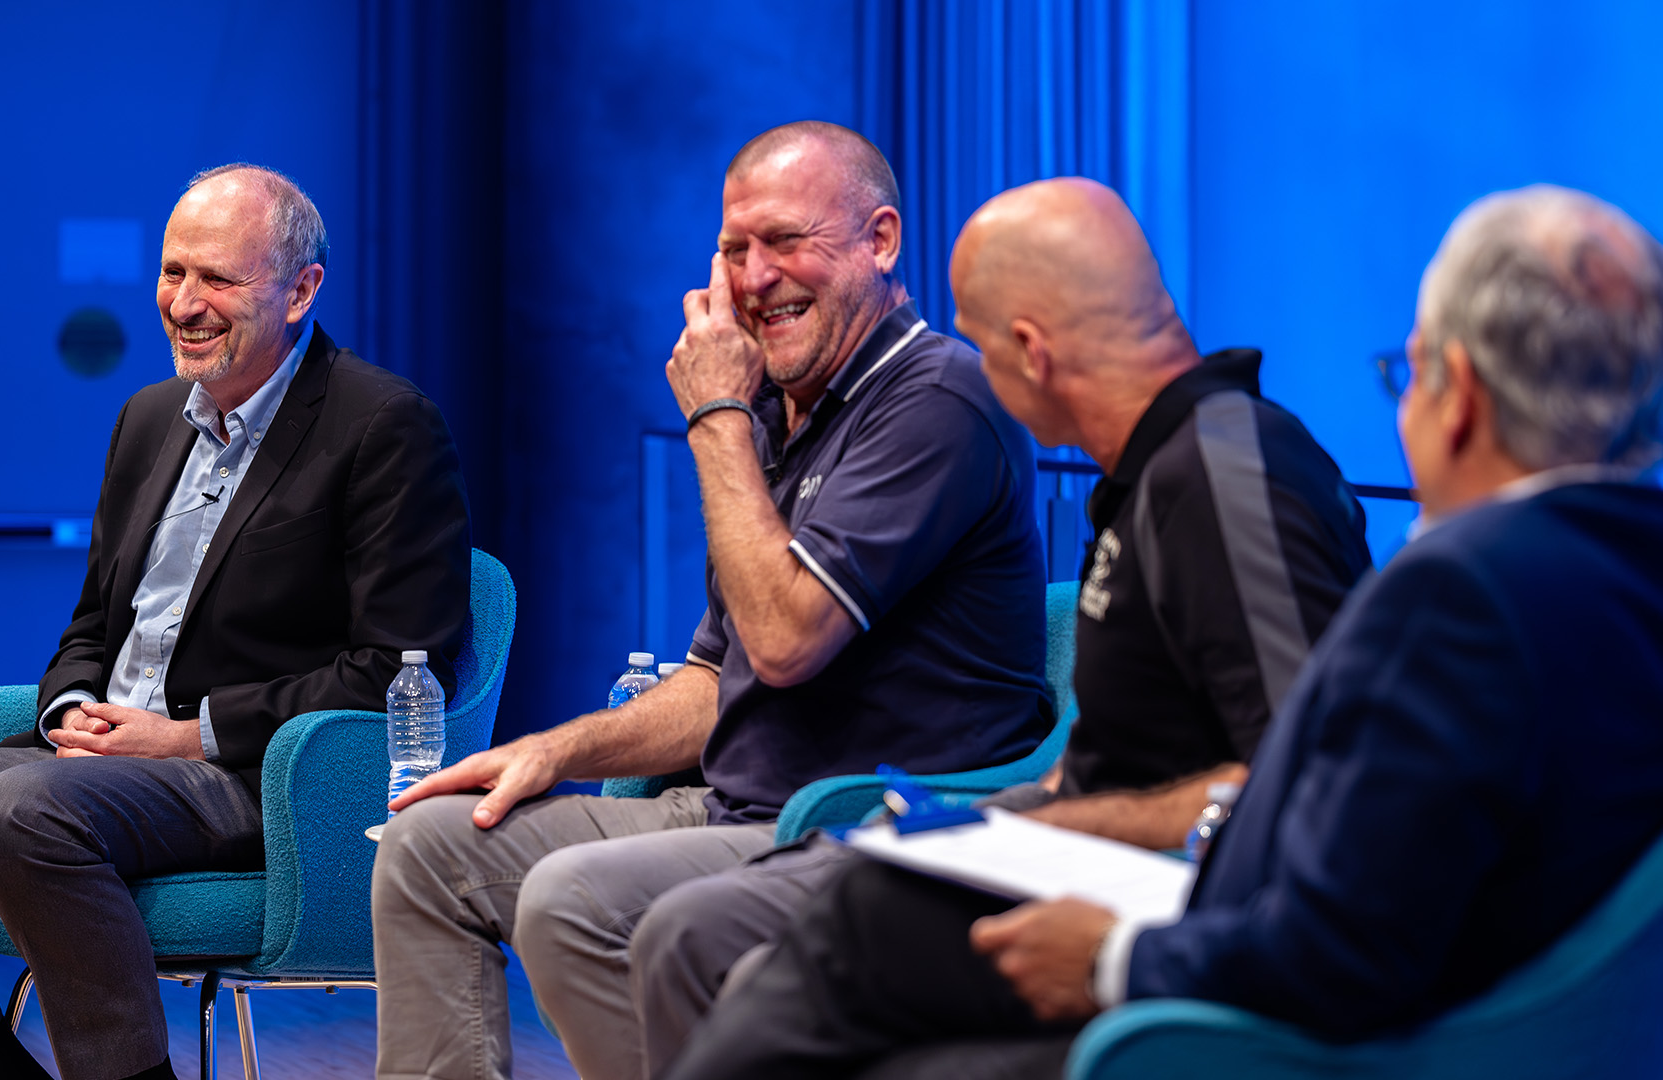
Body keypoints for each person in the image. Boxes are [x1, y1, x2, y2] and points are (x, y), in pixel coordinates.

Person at [662, 184, 1663, 1079]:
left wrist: (1111, 955)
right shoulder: (1607, 575)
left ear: (1461, 399)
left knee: (857, 927)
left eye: (1404, 383)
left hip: (1305, 1019)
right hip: (1426, 995)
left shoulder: (1454, 590)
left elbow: (1342, 920)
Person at [632, 177, 1375, 1076]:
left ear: (1031, 352)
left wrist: (1066, 830)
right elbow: (1140, 745)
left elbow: (1306, 782)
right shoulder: (1155, 480)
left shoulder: (1224, 473)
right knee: (767, 924)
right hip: (1069, 850)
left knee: (814, 930)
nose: (979, 368)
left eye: (983, 345)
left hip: (1156, 906)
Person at [371, 121, 1052, 1080]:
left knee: (571, 902)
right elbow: (714, 679)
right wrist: (546, 752)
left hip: (861, 824)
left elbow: (782, 643)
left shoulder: (938, 398)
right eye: (735, 249)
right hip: (734, 807)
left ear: (881, 241)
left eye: (786, 241)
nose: (756, 275)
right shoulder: (778, 413)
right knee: (426, 849)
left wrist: (717, 417)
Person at [0, 164, 472, 1080]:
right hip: (99, 763)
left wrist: (186, 735)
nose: (184, 304)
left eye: (218, 280)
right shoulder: (149, 419)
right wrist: (71, 708)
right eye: (172, 272)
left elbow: (401, 665)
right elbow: (91, 627)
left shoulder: (383, 424)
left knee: (24, 806)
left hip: (249, 774)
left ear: (302, 289)